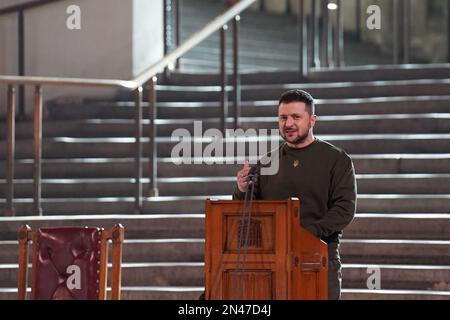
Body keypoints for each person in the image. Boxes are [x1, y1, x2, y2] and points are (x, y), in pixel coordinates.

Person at [233, 89, 357, 300]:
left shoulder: (337, 159)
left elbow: (344, 209)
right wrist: (242, 189)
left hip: (318, 256)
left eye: (296, 117)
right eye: (283, 117)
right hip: (272, 260)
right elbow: (247, 211)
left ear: (312, 120)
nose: (288, 123)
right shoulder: (266, 162)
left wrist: (305, 233)